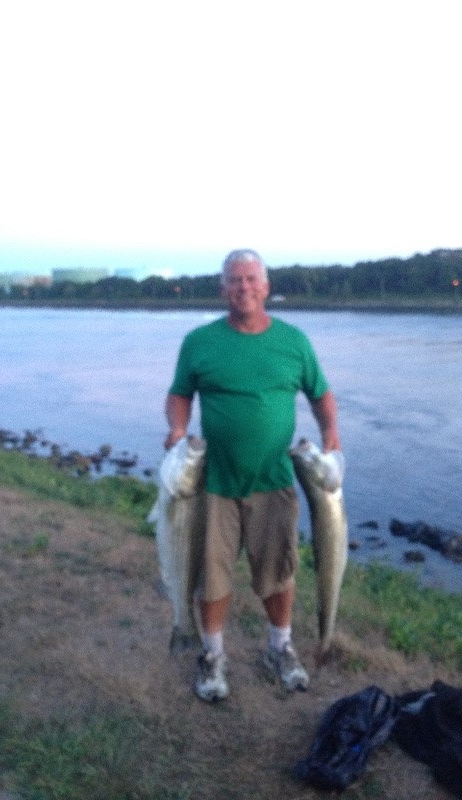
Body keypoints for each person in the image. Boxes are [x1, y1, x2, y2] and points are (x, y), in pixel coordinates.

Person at [164, 249, 341, 702]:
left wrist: (331, 435)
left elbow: (320, 395)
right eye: (234, 280)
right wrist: (178, 430)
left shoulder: (294, 341)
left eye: (250, 279)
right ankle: (211, 655)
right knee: (212, 575)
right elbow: (180, 394)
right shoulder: (200, 341)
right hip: (213, 482)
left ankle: (279, 648)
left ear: (265, 287)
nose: (243, 288)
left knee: (278, 572)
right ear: (222, 289)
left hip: (275, 480)